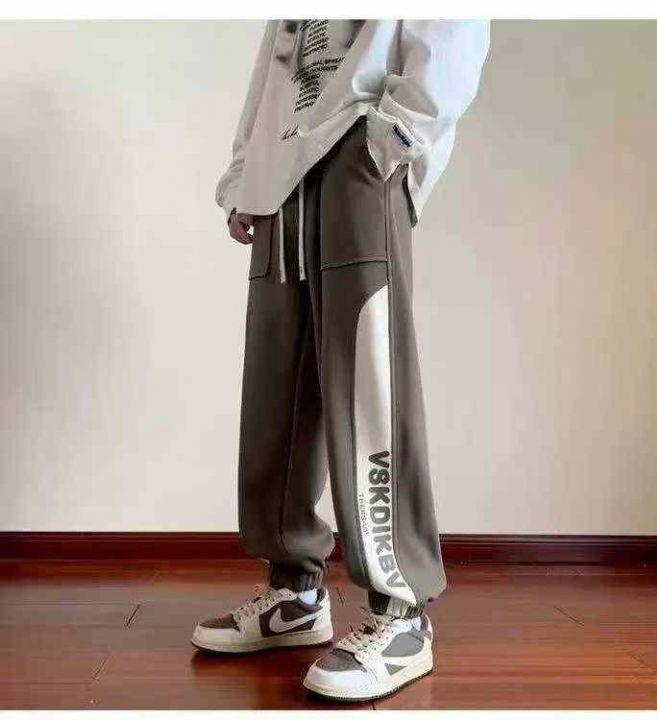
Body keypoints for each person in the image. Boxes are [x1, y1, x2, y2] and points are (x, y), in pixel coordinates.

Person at [193, 19, 490, 701]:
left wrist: (396, 134)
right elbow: (278, 61)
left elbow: (453, 25)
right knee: (276, 386)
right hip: (281, 174)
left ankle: (403, 613)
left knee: (369, 381)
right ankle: (295, 592)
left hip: (360, 148)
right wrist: (244, 169)